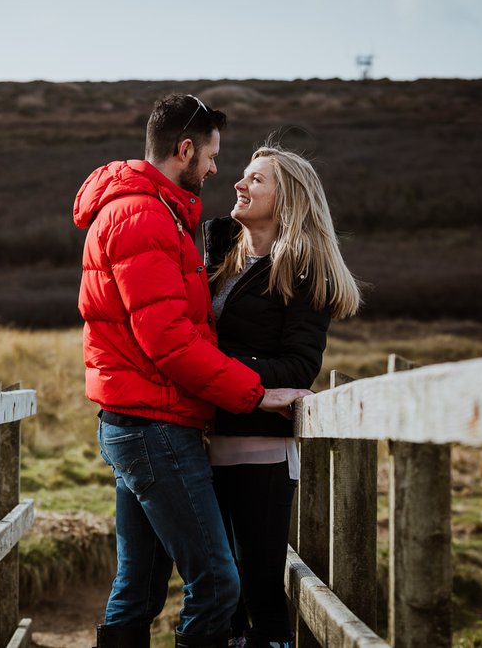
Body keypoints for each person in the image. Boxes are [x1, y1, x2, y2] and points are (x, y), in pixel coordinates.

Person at [74, 95, 312, 648]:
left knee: (140, 585)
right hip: (153, 423)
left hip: (142, 416)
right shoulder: (145, 216)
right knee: (217, 583)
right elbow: (170, 341)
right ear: (184, 150)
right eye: (210, 156)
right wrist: (255, 393)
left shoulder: (158, 210)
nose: (214, 170)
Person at [203, 145, 362, 648]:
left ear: (287, 198)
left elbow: (298, 368)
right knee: (217, 594)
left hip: (260, 453)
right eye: (242, 176)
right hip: (201, 445)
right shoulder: (220, 257)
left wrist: (214, 373)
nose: (239, 185)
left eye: (256, 180)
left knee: (260, 592)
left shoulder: (303, 269)